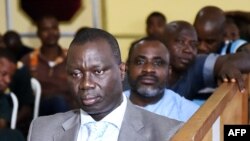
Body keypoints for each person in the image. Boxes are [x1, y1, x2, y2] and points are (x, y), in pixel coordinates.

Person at [27, 28, 183, 141]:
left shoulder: (167, 133)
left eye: (98, 72)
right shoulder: (42, 130)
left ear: (122, 71)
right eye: (76, 74)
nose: (86, 84)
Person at [163, 20, 250, 100]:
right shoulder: (150, 70)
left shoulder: (194, 65)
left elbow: (244, 58)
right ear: (162, 43)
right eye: (180, 42)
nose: (188, 50)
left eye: (193, 45)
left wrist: (228, 64)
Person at [124, 37, 199, 122]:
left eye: (158, 63)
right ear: (127, 67)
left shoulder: (190, 114)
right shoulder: (110, 109)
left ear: (169, 71)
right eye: (140, 62)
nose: (148, 69)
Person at [21, 15, 76, 116]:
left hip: (71, 109)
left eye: (54, 28)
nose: (51, 33)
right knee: (58, 101)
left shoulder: (72, 57)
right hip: (40, 111)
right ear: (38, 33)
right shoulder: (28, 60)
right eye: (45, 29)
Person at [0, 48, 25, 141]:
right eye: (3, 74)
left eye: (10, 76)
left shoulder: (2, 98)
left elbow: (2, 124)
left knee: (14, 135)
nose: (8, 80)